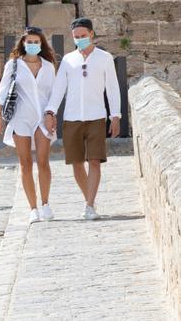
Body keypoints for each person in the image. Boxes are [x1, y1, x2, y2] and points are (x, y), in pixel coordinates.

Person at [44, 18, 122, 221]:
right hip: (72, 118)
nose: (80, 40)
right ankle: (90, 199)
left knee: (94, 161)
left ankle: (88, 205)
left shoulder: (105, 58)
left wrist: (116, 115)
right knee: (77, 163)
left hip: (96, 116)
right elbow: (59, 88)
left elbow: (113, 88)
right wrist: (50, 112)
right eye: (76, 37)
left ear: (91, 34)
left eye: (83, 36)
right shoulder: (68, 60)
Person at [0, 27, 58, 224]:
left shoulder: (48, 66)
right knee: (25, 163)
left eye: (36, 42)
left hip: (42, 117)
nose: (32, 45)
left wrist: (51, 113)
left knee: (43, 161)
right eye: (28, 41)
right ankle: (33, 208)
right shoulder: (13, 65)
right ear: (23, 43)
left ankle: (46, 204)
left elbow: (54, 94)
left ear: (41, 44)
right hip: (20, 118)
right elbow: (3, 90)